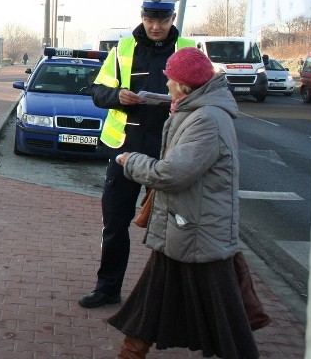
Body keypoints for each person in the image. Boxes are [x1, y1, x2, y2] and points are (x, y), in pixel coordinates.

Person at [108, 46, 258, 359]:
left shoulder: (206, 120)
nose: (166, 84)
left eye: (170, 79)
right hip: (183, 225)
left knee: (225, 317)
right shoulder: (194, 112)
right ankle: (130, 353)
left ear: (183, 85)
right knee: (150, 300)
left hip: (198, 231)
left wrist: (129, 160)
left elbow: (173, 174)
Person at [78, 0, 195, 309]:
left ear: (173, 18)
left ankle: (174, 297)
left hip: (171, 152)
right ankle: (107, 289)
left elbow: (208, 91)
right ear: (142, 17)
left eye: (162, 19)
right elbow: (98, 91)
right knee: (114, 223)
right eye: (149, 19)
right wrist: (118, 96)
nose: (155, 26)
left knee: (177, 228)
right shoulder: (122, 49)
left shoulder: (189, 50)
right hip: (125, 151)